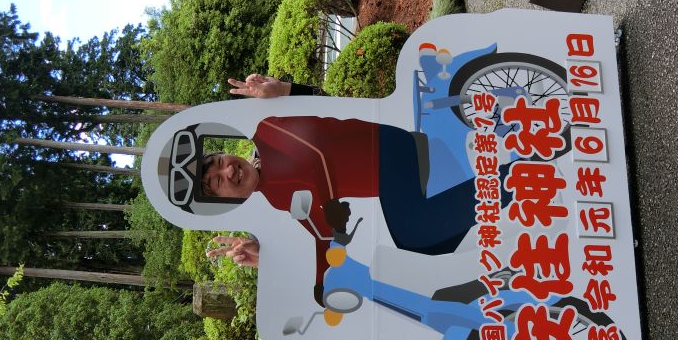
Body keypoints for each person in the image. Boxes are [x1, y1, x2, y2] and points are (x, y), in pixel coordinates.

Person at [203, 74, 511, 303]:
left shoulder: (267, 133)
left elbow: (318, 151)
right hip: (386, 180)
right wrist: (312, 279)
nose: (228, 171)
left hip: (386, 150)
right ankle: (504, 212)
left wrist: (285, 91)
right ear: (225, 202)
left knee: (416, 231)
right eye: (218, 181)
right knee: (427, 247)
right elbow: (321, 233)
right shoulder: (274, 196)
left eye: (220, 161)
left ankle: (515, 182)